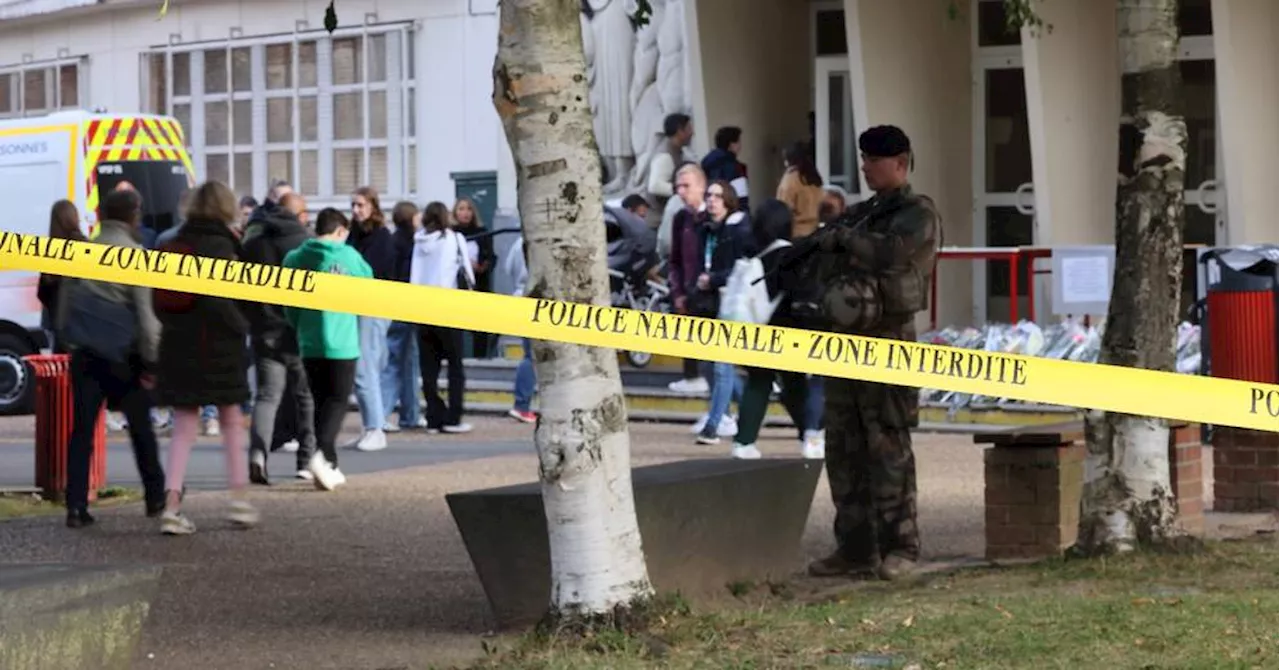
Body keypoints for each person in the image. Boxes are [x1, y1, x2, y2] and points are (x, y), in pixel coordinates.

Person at [802, 125, 941, 582]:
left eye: (872, 160)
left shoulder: (917, 213)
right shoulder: (861, 214)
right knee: (843, 447)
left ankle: (902, 545)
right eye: (863, 159)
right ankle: (855, 546)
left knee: (888, 446)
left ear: (899, 162)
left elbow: (895, 254)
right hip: (845, 346)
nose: (864, 167)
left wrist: (844, 240)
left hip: (889, 345)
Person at [152, 181, 259, 535]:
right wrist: (243, 325)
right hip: (219, 347)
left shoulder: (171, 244)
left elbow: (159, 301)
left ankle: (171, 506)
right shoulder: (224, 247)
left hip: (178, 347)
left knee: (183, 428)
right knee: (231, 422)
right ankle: (240, 500)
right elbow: (224, 302)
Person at [56, 189, 166, 528]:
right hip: (124, 356)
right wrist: (151, 361)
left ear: (102, 215)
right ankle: (154, 496)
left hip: (86, 354)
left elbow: (64, 308)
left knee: (82, 430)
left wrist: (70, 342)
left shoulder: (83, 252)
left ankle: (75, 505)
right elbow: (147, 320)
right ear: (134, 214)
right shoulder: (137, 255)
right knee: (140, 428)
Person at [283, 208, 373, 491]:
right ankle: (321, 454)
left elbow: (288, 301)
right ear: (339, 231)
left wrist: (299, 325)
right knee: (337, 401)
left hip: (309, 341)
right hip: (342, 341)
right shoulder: (348, 256)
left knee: (320, 401)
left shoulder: (295, 258)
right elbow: (369, 286)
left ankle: (330, 464)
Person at [727, 198, 825, 461]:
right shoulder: (793, 255)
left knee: (758, 383)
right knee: (796, 387)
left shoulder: (754, 256)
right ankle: (811, 436)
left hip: (758, 330)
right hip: (789, 331)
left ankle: (744, 441)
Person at [240, 191, 318, 485]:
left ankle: (258, 456)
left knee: (266, 396)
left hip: (263, 329)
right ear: (299, 215)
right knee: (304, 397)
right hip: (296, 330)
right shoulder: (305, 244)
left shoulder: (254, 241)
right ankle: (306, 460)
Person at [685, 179, 750, 445]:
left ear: (729, 201)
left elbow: (742, 267)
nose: (712, 200)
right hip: (709, 303)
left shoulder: (738, 229)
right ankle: (744, 412)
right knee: (709, 364)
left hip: (731, 302)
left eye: (718, 196)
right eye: (709, 195)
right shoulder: (704, 229)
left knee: (722, 366)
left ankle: (713, 426)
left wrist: (714, 279)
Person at [410, 201, 474, 434]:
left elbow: (414, 276)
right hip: (448, 307)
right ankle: (453, 417)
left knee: (429, 368)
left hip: (423, 308)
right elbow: (467, 272)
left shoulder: (418, 241)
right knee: (455, 366)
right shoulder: (454, 239)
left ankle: (434, 416)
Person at [345, 186, 396, 452]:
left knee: (366, 367)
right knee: (363, 368)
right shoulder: (354, 235)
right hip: (357, 304)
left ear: (373, 207)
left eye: (360, 205)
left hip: (374, 304)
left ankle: (376, 428)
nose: (355, 210)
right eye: (353, 205)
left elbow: (375, 270)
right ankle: (370, 426)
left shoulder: (381, 236)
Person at [381, 200, 425, 431]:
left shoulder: (395, 241)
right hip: (404, 304)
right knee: (399, 360)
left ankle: (410, 413)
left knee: (407, 360)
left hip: (397, 304)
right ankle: (385, 413)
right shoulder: (410, 244)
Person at [452, 197, 497, 358]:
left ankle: (480, 357)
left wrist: (482, 267)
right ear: (455, 212)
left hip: (479, 285)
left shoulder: (482, 232)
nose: (465, 213)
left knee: (480, 327)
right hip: (456, 286)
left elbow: (491, 258)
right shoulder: (451, 233)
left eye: (469, 209)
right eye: (461, 209)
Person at [504, 235, 536, 423]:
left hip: (519, 295)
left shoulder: (517, 242)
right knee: (531, 356)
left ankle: (522, 404)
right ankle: (522, 405)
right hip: (533, 300)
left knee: (529, 354)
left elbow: (508, 268)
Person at [777, 141, 825, 239]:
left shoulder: (789, 180)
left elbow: (782, 210)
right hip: (815, 232)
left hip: (797, 234)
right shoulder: (813, 177)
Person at [701, 126, 750, 210]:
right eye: (738, 142)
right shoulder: (735, 167)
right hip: (729, 210)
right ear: (731, 145)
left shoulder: (705, 164)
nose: (740, 146)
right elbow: (741, 198)